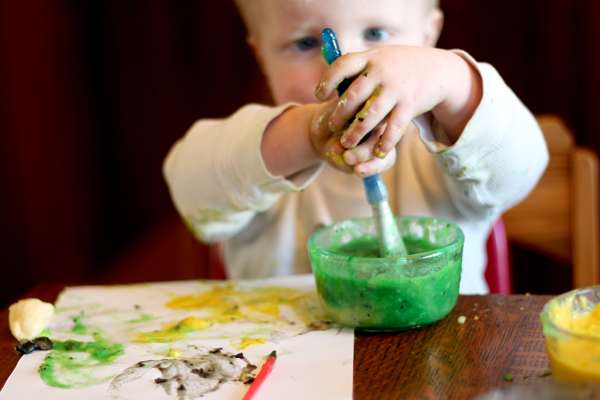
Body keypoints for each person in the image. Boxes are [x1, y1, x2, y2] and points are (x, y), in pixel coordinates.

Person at [163, 0, 548, 293]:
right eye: (305, 43)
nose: (345, 67)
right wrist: (304, 135)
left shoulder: (452, 151)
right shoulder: (253, 155)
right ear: (262, 56)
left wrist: (455, 81)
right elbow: (191, 189)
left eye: (377, 35)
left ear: (428, 39)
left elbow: (522, 168)